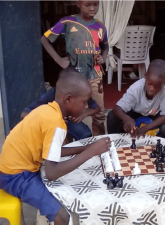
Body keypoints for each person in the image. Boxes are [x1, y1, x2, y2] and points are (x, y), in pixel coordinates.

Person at [0, 68, 111, 224]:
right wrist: (90, 151)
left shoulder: (47, 110)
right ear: (68, 99)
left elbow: (53, 151)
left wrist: (85, 148)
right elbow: (52, 171)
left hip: (11, 168)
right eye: (84, 102)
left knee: (68, 187)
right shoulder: (56, 124)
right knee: (62, 216)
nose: (86, 107)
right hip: (16, 176)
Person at [41, 0, 108, 136]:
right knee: (69, 113)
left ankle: (100, 144)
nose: (92, 8)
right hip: (74, 78)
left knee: (99, 113)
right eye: (87, 4)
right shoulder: (67, 22)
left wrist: (104, 57)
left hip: (95, 76)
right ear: (78, 4)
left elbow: (105, 47)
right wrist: (58, 59)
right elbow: (44, 39)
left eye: (95, 4)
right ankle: (71, 144)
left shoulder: (100, 26)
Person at [20, 67, 100, 141]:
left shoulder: (80, 92)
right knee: (60, 139)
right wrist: (51, 119)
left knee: (86, 136)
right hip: (53, 123)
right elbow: (24, 114)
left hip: (70, 122)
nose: (86, 106)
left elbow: (97, 108)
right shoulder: (51, 95)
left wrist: (83, 114)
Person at [107, 59, 165, 142]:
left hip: (155, 113)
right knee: (112, 116)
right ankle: (116, 142)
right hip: (136, 112)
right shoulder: (136, 88)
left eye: (157, 86)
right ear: (145, 76)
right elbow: (117, 108)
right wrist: (126, 119)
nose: (152, 89)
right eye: (149, 84)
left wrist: (145, 128)